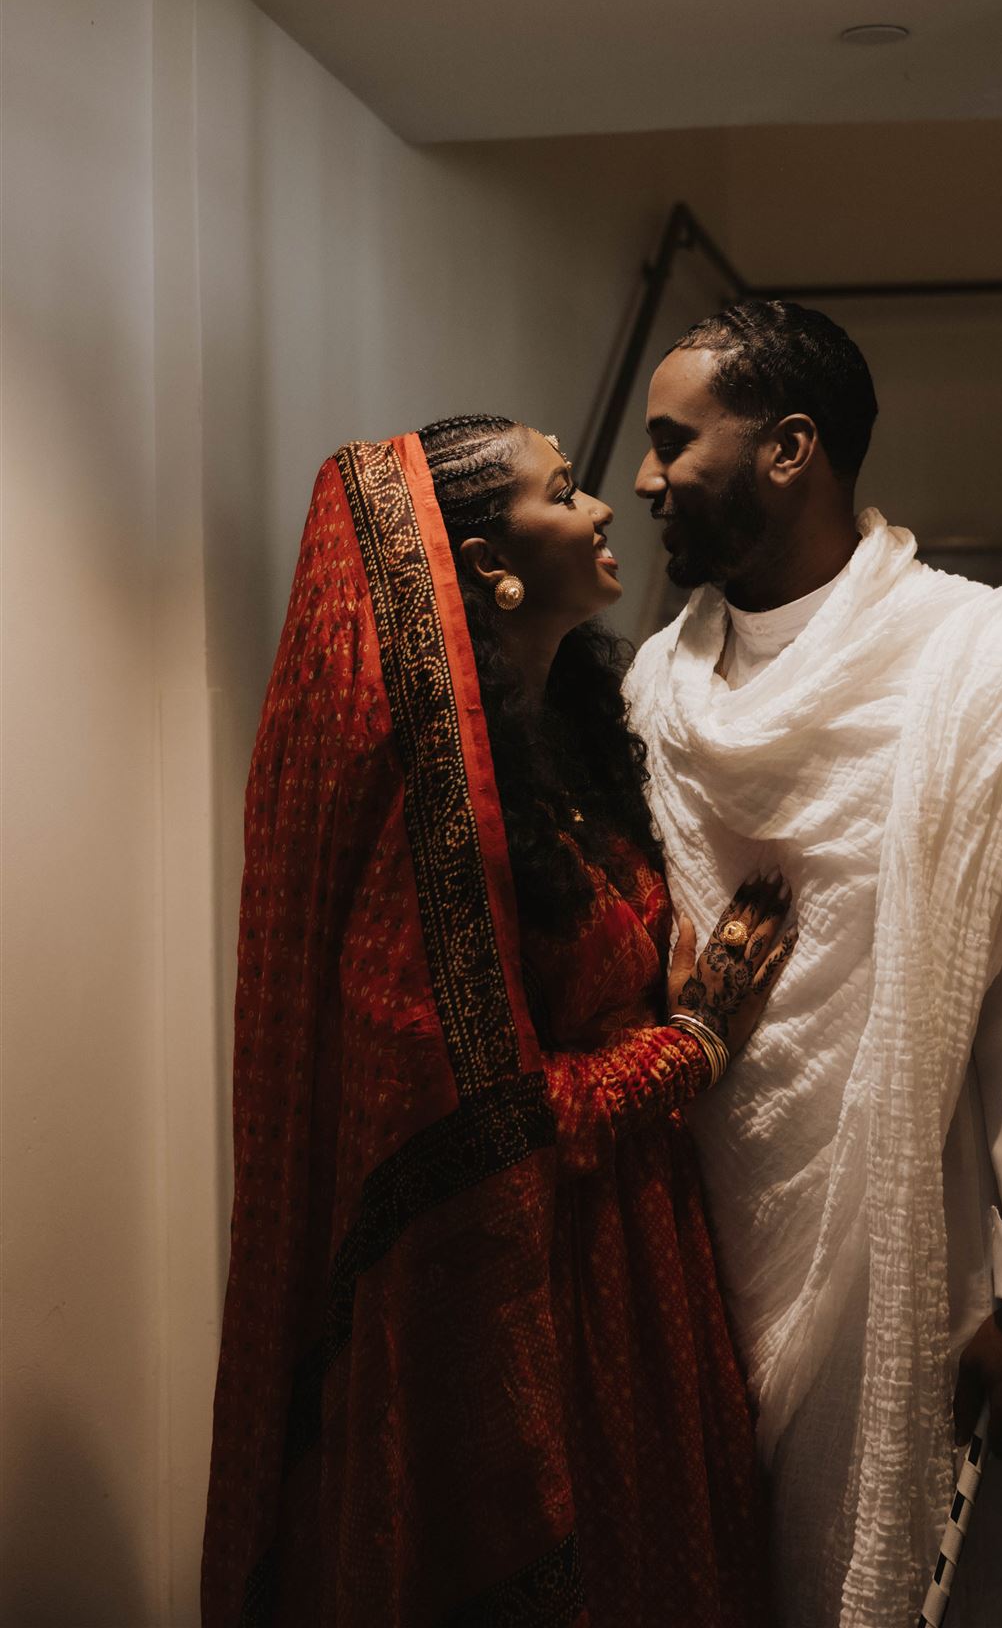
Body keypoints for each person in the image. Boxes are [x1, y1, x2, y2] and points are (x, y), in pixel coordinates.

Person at [201, 413, 797, 1628]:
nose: (601, 509)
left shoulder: (575, 734)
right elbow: (483, 1117)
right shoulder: (435, 813)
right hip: (530, 1274)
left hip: (641, 1246)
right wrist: (695, 1040)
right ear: (489, 566)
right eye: (566, 490)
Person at [624, 303, 1002, 1628]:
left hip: (942, 1267)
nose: (640, 479)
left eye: (674, 441)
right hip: (703, 1272)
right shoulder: (651, 692)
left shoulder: (983, 667)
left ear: (790, 449)